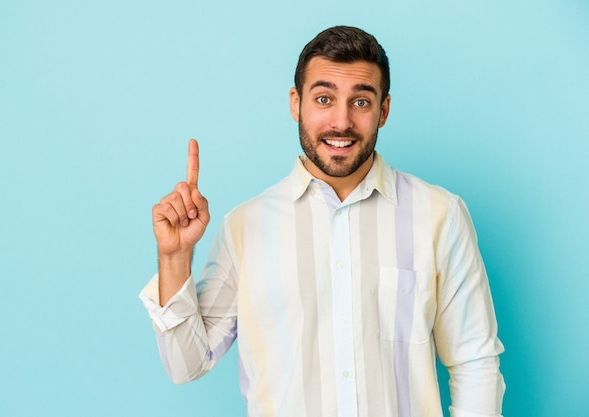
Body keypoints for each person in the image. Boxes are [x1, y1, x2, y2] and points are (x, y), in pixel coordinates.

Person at [139, 25, 505, 417]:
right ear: (296, 103)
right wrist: (175, 259)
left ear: (383, 110)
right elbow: (187, 365)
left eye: (361, 102)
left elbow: (474, 362)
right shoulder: (244, 227)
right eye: (324, 98)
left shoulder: (439, 215)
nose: (341, 121)